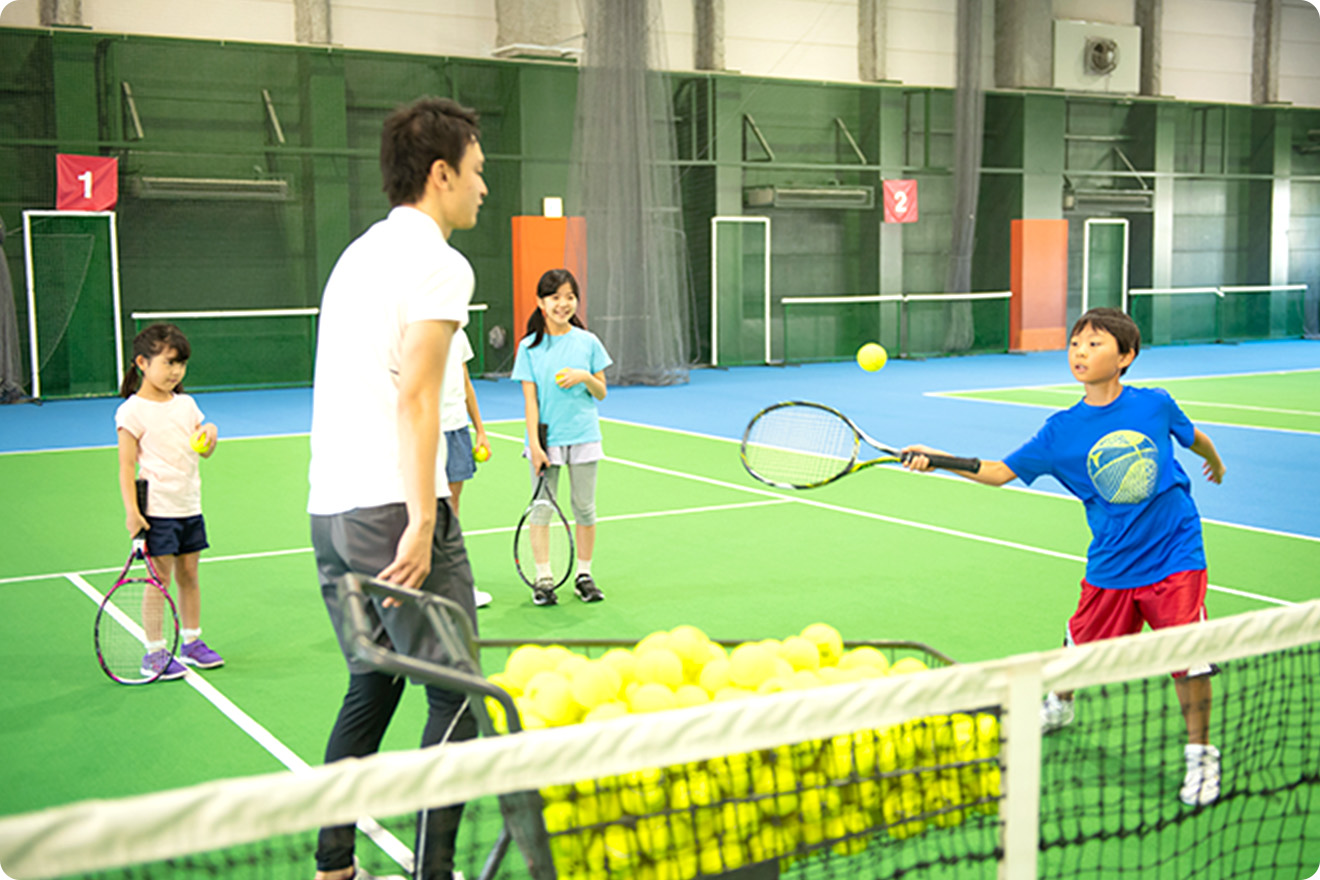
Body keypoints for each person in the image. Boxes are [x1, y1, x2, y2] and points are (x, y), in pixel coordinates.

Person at [902, 307, 1227, 807]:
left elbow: (1193, 437)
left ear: (1126, 357)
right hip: (1112, 561)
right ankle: (1060, 704)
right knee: (1078, 649)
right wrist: (939, 461)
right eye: (1076, 342)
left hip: (1175, 549)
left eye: (1095, 344)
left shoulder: (1155, 405)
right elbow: (998, 471)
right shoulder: (1060, 432)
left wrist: (1214, 460)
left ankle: (1201, 755)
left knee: (1190, 657)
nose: (1080, 351)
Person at [306, 95, 486, 880]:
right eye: (478, 174)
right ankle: (432, 875)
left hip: (330, 513)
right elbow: (416, 394)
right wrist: (423, 516)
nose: (484, 189)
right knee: (461, 697)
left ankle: (334, 864)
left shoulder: (356, 255)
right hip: (392, 509)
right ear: (440, 174)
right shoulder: (441, 263)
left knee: (374, 680)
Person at [115, 323, 223, 681]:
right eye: (169, 363)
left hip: (189, 504)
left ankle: (191, 642)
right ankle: (155, 653)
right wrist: (132, 512)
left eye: (181, 364)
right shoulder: (132, 412)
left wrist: (210, 434)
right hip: (157, 510)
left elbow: (203, 452)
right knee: (158, 580)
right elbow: (126, 467)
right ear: (142, 363)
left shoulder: (187, 404)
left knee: (189, 574)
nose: (176, 371)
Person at [510, 268, 612, 607]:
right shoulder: (529, 348)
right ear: (541, 302)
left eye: (569, 297)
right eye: (555, 297)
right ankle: (543, 578)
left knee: (585, 508)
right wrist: (535, 446)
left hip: (583, 435)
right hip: (546, 440)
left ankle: (584, 574)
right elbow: (530, 401)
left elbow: (601, 393)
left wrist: (584, 376)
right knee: (541, 509)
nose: (563, 304)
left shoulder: (588, 342)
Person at [441, 326, 492, 608]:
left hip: (457, 428)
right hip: (425, 432)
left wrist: (480, 430)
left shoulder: (458, 334)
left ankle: (456, 585)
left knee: (452, 510)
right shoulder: (413, 330)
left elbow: (465, 382)